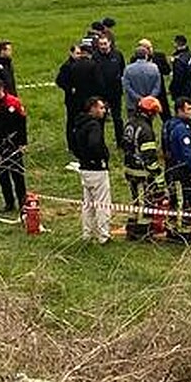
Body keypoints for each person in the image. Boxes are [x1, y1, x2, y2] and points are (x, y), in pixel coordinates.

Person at [0, 78, 28, 214]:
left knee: (17, 174)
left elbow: (22, 124)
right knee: (2, 175)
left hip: (13, 144)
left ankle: (22, 202)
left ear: (1, 89)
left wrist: (23, 143)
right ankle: (9, 203)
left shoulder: (14, 103)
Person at [123, 96, 163, 241]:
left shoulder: (130, 124)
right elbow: (150, 158)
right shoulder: (146, 130)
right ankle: (142, 232)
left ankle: (131, 227)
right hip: (141, 172)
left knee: (135, 201)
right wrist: (158, 176)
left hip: (129, 168)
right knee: (145, 203)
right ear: (150, 112)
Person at [73, 97, 112, 244]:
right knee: (102, 203)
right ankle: (104, 235)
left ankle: (87, 233)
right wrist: (101, 157)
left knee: (88, 204)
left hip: (84, 168)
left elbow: (74, 146)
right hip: (97, 169)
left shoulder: (79, 124)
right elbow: (95, 144)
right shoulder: (94, 126)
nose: (104, 111)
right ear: (93, 109)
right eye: (101, 108)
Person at [162, 97, 191, 243]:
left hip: (170, 168)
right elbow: (187, 152)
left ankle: (172, 230)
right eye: (188, 109)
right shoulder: (181, 129)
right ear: (179, 110)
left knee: (173, 200)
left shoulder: (168, 125)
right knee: (185, 201)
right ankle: (184, 234)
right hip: (182, 170)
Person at [56, 42, 102, 156]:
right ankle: (79, 144)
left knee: (75, 122)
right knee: (80, 122)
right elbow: (60, 81)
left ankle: (74, 144)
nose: (78, 55)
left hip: (75, 100)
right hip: (82, 100)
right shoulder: (70, 66)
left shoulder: (73, 65)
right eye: (76, 53)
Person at [93, 35, 126, 146]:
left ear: (110, 43)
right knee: (100, 120)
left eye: (105, 44)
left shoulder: (117, 55)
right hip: (100, 94)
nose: (103, 46)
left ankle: (120, 142)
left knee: (117, 118)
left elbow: (122, 70)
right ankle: (100, 142)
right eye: (100, 44)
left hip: (115, 93)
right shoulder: (95, 57)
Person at [137, 38, 172, 122]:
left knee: (165, 114)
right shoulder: (136, 59)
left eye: (150, 47)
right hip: (145, 91)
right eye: (147, 48)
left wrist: (156, 67)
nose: (150, 50)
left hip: (160, 91)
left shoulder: (159, 56)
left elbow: (167, 71)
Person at [122, 45, 161, 118]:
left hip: (133, 104)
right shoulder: (154, 68)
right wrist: (149, 98)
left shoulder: (128, 69)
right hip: (149, 105)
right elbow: (157, 86)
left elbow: (127, 86)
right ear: (146, 55)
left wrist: (138, 98)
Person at [169, 34, 191, 108]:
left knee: (181, 111)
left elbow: (178, 76)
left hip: (181, 90)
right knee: (189, 110)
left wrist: (172, 88)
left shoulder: (178, 59)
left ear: (176, 43)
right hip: (189, 88)